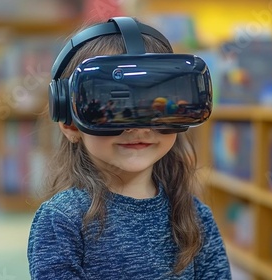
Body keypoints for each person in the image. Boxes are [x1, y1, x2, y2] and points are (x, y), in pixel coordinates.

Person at [27, 17, 231, 280]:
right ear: (70, 123)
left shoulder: (194, 215)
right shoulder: (62, 220)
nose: (139, 128)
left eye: (156, 108)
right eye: (114, 110)